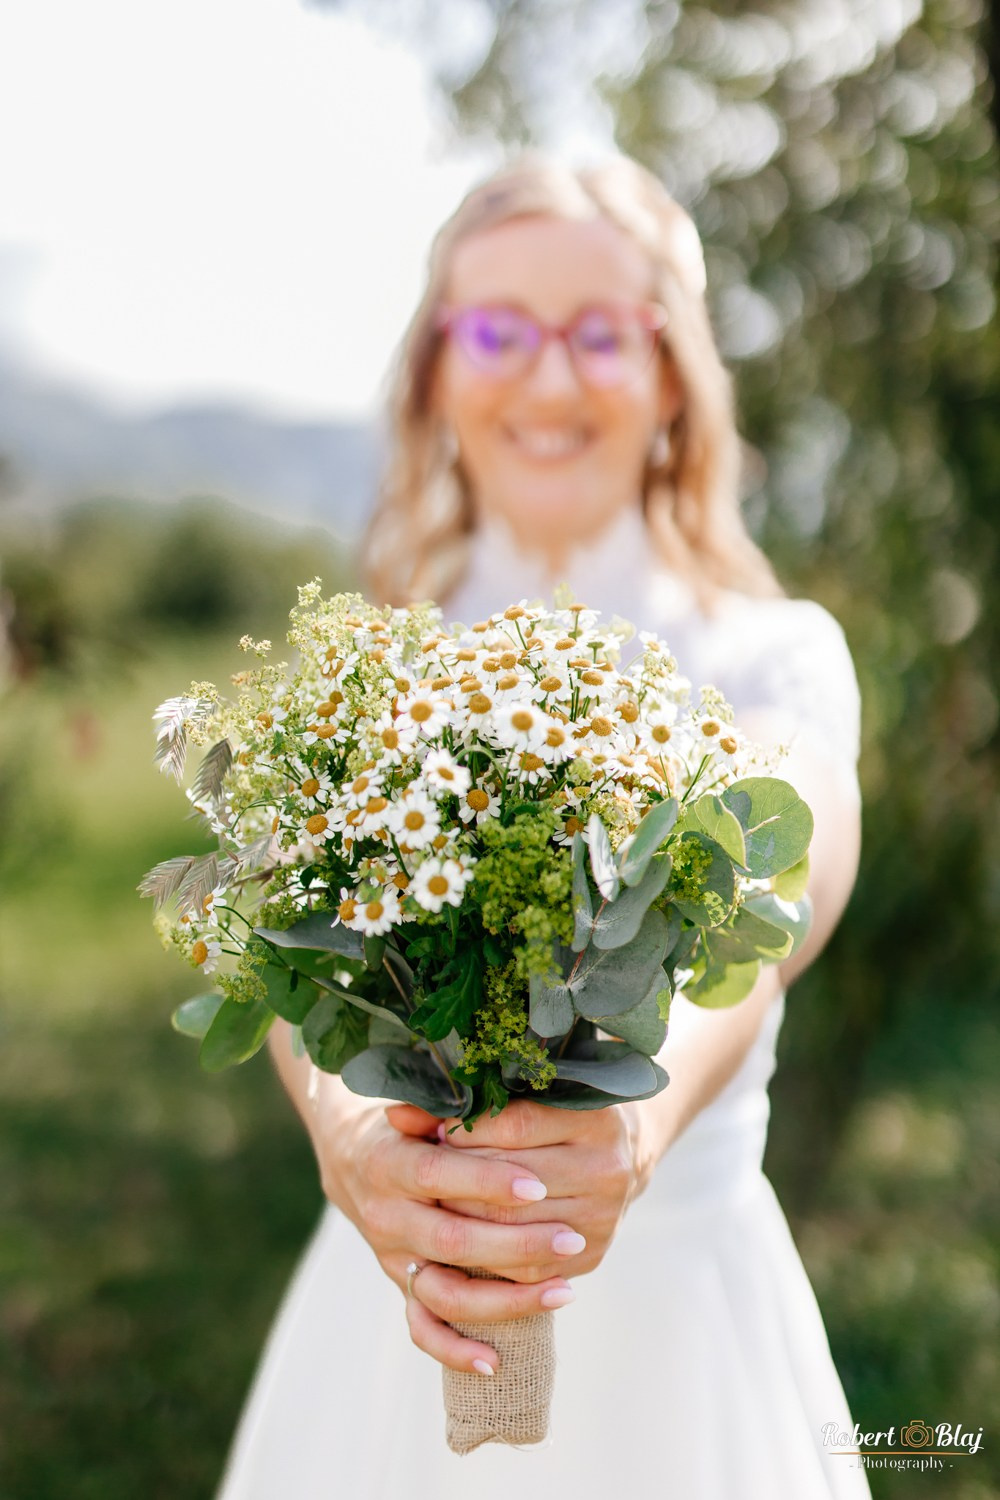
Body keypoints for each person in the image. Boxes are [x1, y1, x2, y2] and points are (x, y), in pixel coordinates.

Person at [217, 154, 870, 1499]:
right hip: (397, 1322)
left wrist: (633, 1128)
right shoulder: (377, 657)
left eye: (599, 334)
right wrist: (347, 1134)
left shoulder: (772, 655)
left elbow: (786, 889)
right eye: (500, 330)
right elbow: (292, 948)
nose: (552, 381)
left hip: (689, 1339)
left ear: (673, 368)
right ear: (439, 372)